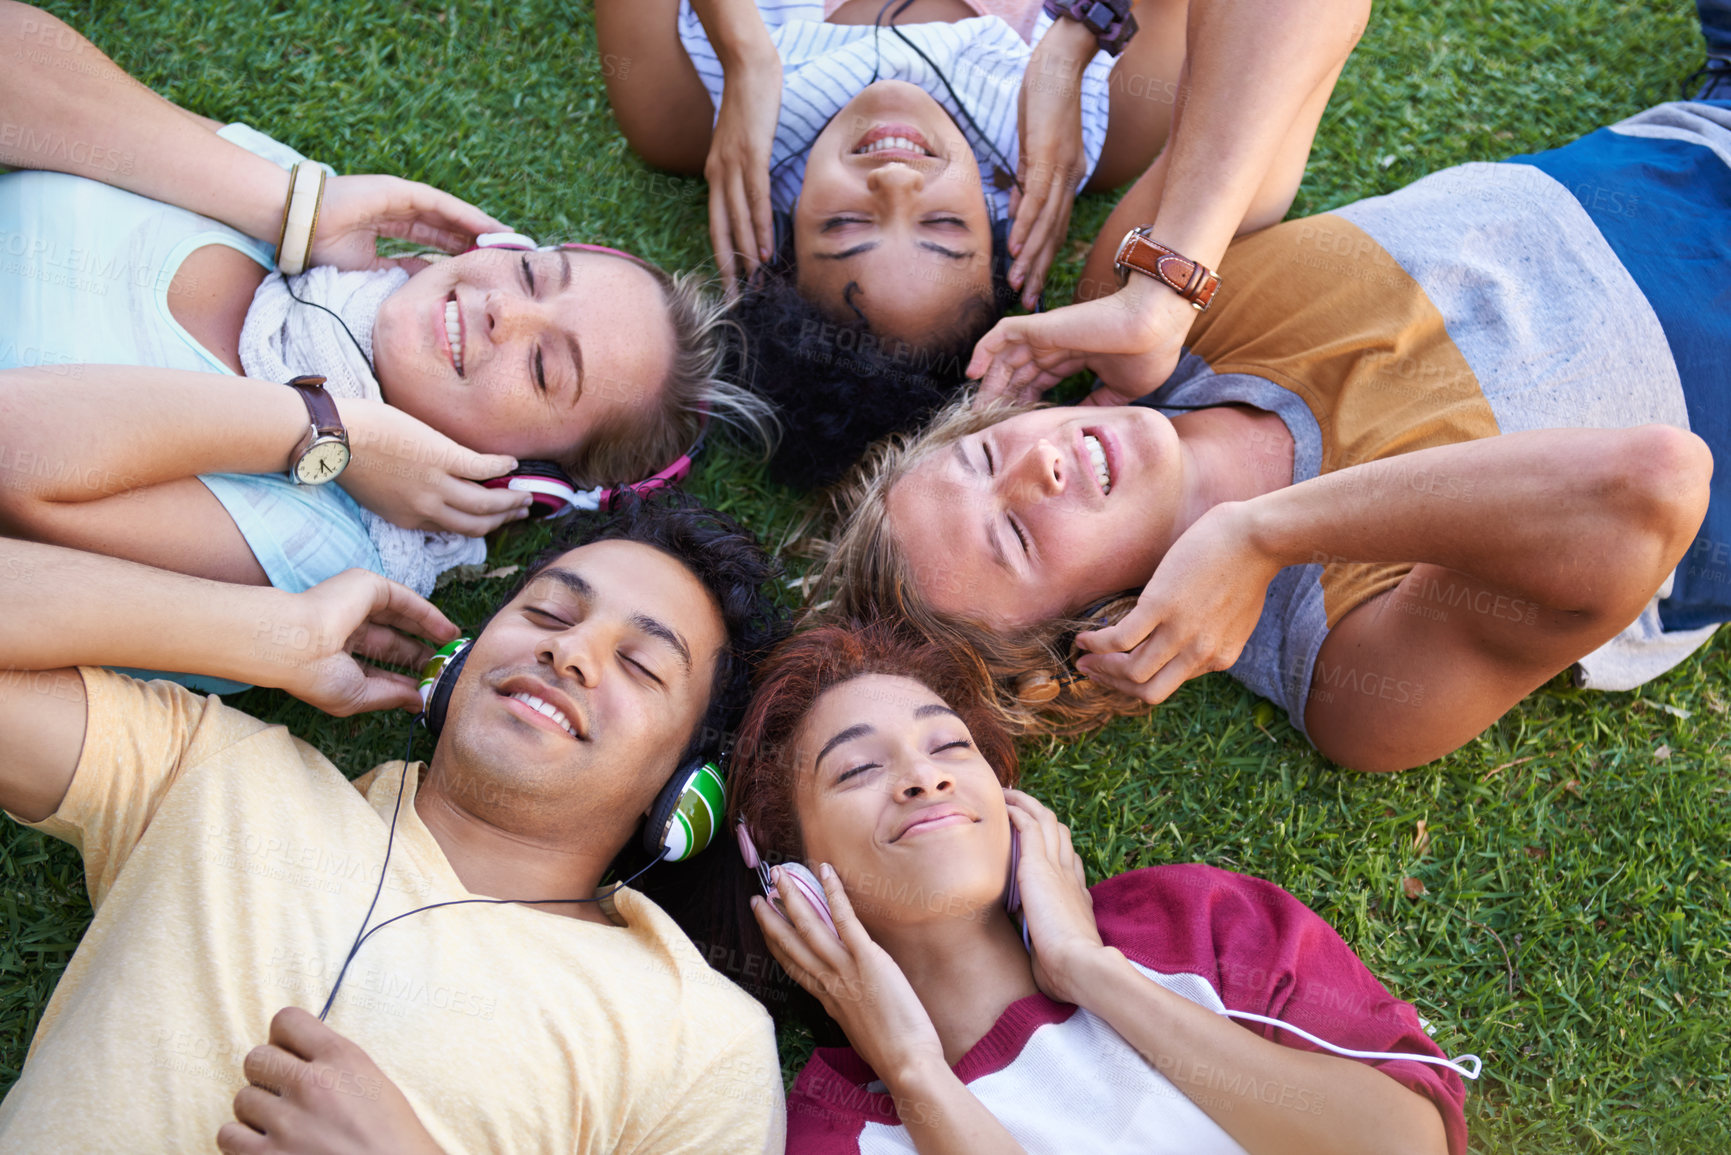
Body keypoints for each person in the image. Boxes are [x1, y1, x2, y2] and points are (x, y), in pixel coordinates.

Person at [816, 80, 1730, 773]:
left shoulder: (1142, 312)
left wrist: (1161, 294)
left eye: (983, 453)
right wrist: (1262, 534)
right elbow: (1651, 482)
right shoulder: (1349, 680)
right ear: (1091, 641)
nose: (1034, 470)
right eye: (1014, 536)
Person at [0, 494, 788, 1153]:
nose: (570, 650)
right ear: (456, 660)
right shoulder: (211, 772)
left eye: (641, 665)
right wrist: (269, 632)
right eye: (548, 611)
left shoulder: (698, 1042)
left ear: (688, 788)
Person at [0, 2, 770, 599]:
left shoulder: (329, 547)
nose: (507, 312)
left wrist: (328, 433)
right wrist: (288, 203)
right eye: (533, 276)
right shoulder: (305, 224)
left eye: (543, 367)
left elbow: (15, 471)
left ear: (516, 480)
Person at [721, 621, 1471, 1153]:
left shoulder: (1190, 922)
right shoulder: (830, 1133)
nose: (925, 776)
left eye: (949, 744)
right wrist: (914, 1074)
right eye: (857, 769)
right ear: (791, 880)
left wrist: (1089, 970)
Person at [596, 0, 1366, 487]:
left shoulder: (683, 110)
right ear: (1006, 240)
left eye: (846, 226)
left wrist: (743, 50)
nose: (895, 183)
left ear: (776, 245)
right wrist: (1075, 35)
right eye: (943, 226)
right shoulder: (1106, 119)